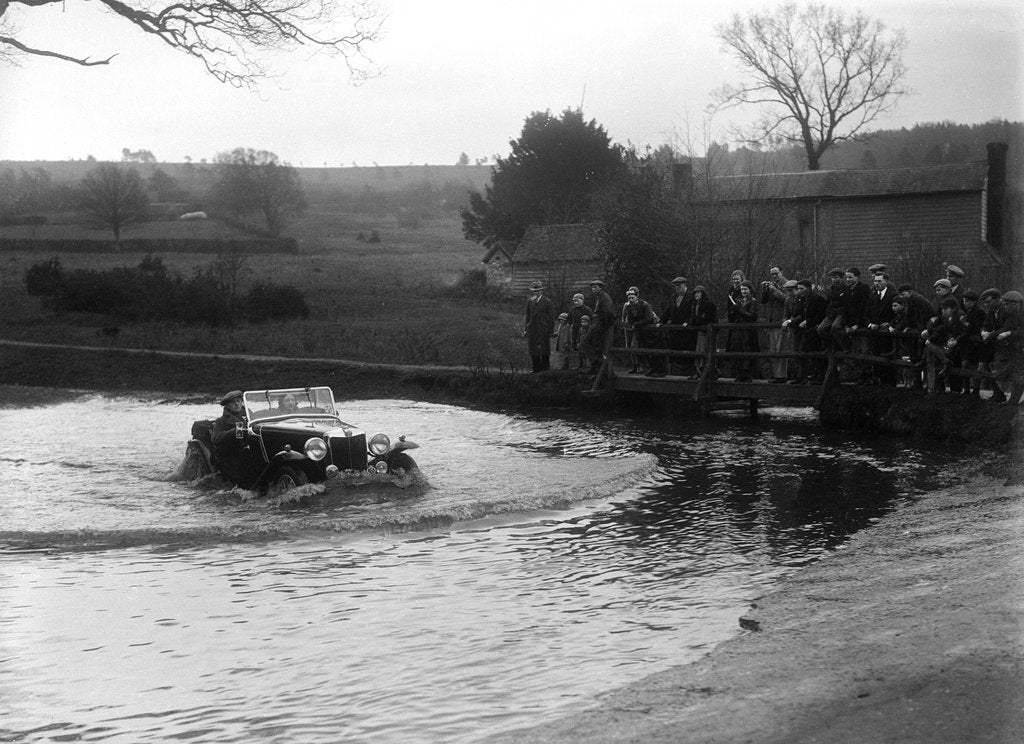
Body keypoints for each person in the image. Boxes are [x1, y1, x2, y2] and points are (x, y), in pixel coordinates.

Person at [990, 290, 1024, 405]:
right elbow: (1007, 327)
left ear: (1016, 304)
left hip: (1020, 348)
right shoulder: (1010, 314)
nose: (1004, 307)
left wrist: (1009, 333)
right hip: (1015, 349)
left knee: (1019, 375)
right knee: (1015, 374)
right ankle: (1013, 401)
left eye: (1007, 304)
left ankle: (1014, 401)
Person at [657, 276, 694, 375]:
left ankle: (687, 372)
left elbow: (693, 312)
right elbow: (669, 310)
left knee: (686, 352)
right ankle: (675, 372)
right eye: (676, 286)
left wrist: (688, 322)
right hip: (675, 329)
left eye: (679, 286)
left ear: (684, 285)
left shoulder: (691, 297)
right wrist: (661, 321)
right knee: (674, 351)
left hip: (686, 331)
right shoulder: (674, 297)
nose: (677, 288)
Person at [760, 266, 790, 382]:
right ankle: (775, 374)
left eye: (776, 273)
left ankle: (781, 375)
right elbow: (763, 301)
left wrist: (773, 290)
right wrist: (765, 290)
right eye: (772, 274)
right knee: (773, 349)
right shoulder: (771, 285)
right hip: (771, 320)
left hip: (781, 320)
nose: (774, 276)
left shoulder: (787, 284)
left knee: (781, 349)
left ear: (781, 272)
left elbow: (786, 299)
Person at [621, 289, 657, 373]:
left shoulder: (644, 305)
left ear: (637, 297)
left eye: (632, 297)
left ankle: (646, 367)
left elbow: (649, 318)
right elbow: (627, 317)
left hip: (646, 329)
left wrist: (637, 324)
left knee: (638, 346)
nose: (630, 300)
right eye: (629, 298)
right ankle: (636, 366)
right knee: (631, 346)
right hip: (634, 328)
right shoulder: (627, 306)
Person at [523, 280, 556, 373]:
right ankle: (535, 370)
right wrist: (526, 329)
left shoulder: (547, 302)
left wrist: (550, 330)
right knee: (533, 349)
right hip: (533, 329)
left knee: (544, 349)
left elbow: (551, 318)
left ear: (541, 291)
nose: (536, 292)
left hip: (543, 329)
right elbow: (528, 316)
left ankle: (545, 370)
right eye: (534, 291)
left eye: (538, 291)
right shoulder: (530, 301)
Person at [585, 279, 616, 374]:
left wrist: (604, 326)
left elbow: (608, 313)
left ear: (600, 288)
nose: (593, 289)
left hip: (600, 324)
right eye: (592, 288)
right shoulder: (600, 297)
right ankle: (596, 366)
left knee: (587, 342)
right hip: (598, 323)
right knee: (593, 345)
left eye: (595, 287)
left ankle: (597, 364)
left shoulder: (604, 297)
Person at [687, 285, 718, 378]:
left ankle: (708, 372)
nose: (696, 295)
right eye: (695, 293)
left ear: (702, 294)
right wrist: (692, 321)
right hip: (700, 331)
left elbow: (707, 318)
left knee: (706, 351)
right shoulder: (694, 304)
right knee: (699, 351)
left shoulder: (708, 304)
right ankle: (698, 371)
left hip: (708, 331)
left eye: (698, 293)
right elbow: (693, 316)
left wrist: (695, 321)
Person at [733, 280, 760, 382]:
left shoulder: (752, 301)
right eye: (742, 289)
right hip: (739, 330)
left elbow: (752, 316)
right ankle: (740, 372)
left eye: (745, 289)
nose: (743, 291)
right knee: (738, 350)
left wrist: (740, 310)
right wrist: (734, 311)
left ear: (749, 289)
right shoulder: (738, 300)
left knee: (748, 350)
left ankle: (747, 373)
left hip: (748, 331)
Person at [566, 293, 592, 370]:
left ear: (582, 300)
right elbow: (569, 319)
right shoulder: (572, 310)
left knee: (586, 347)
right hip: (575, 330)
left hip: (585, 331)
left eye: (577, 301)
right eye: (574, 301)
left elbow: (591, 319)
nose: (576, 303)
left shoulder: (587, 309)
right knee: (578, 348)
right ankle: (580, 364)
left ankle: (588, 364)